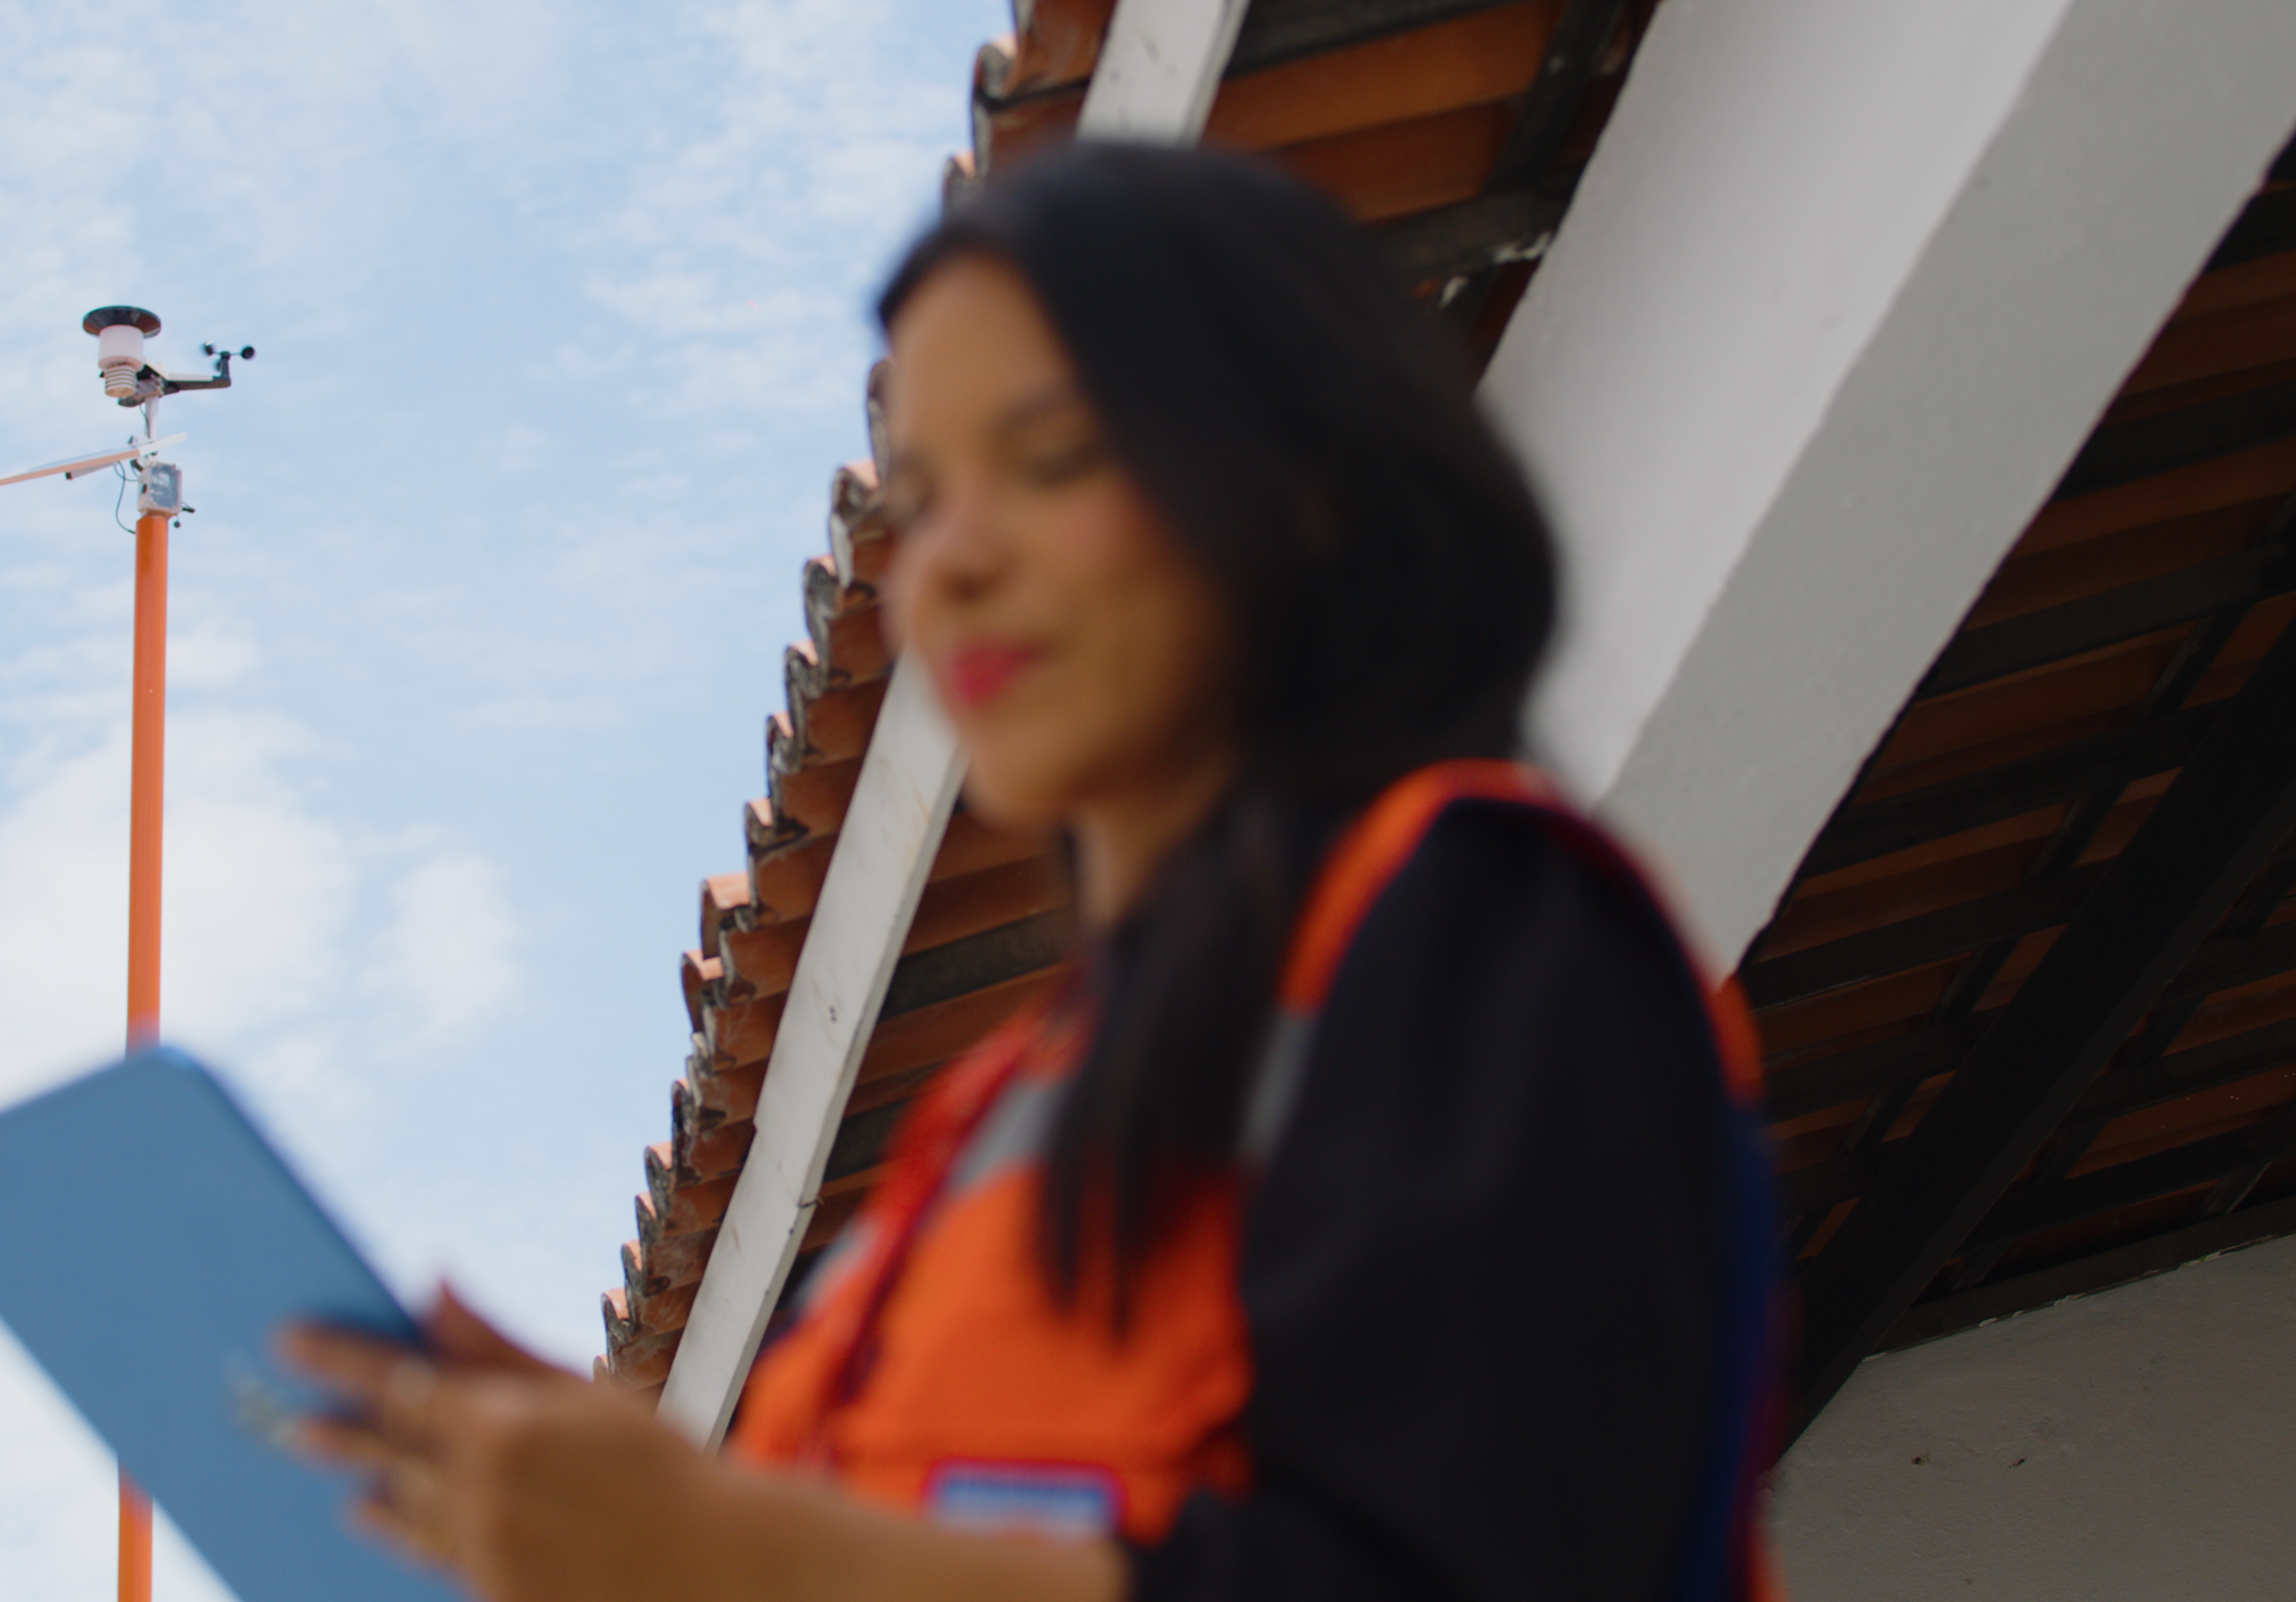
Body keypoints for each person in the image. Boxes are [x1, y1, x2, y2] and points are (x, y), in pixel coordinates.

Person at [283, 142, 1782, 1602]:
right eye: (918, 501)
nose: (951, 563)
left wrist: (745, 1562)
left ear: (1320, 486)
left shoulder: (1475, 921)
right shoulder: (991, 1125)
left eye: (1055, 457)